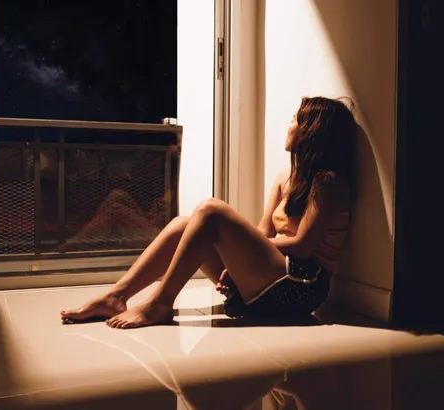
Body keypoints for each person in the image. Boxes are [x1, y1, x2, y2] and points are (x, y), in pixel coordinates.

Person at [60, 96, 355, 328]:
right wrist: (236, 261)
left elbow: (303, 246)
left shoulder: (328, 183)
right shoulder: (286, 175)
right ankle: (116, 296)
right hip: (274, 274)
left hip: (302, 285)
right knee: (183, 225)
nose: (289, 125)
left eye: (295, 119)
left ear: (311, 131)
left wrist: (241, 254)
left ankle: (160, 303)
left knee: (211, 211)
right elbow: (264, 233)